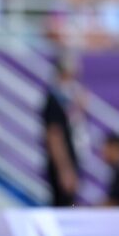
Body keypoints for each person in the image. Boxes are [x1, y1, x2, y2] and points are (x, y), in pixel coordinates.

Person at [43, 54, 83, 207]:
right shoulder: (54, 100)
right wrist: (65, 170)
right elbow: (54, 137)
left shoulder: (65, 100)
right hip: (62, 166)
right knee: (63, 205)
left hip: (69, 162)